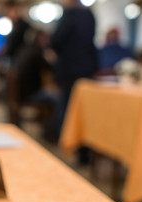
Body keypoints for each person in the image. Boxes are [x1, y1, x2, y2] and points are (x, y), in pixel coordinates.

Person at [51, 0, 97, 163]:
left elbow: (55, 42)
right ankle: (83, 152)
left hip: (70, 70)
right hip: (87, 69)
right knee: (84, 110)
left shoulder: (69, 15)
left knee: (69, 109)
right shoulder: (90, 15)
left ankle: (67, 147)